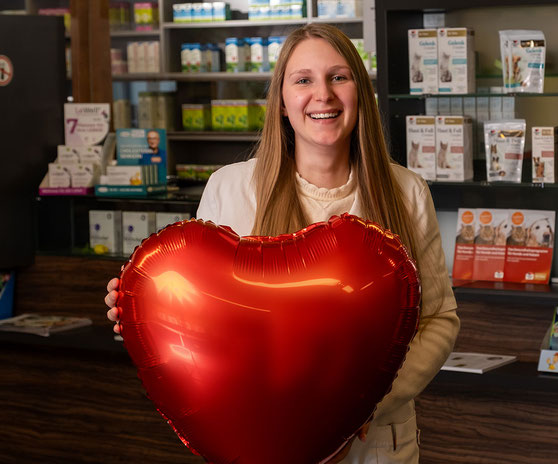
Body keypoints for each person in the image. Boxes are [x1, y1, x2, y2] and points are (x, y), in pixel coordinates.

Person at [104, 23, 461, 464]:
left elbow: (439, 320)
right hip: (261, 443)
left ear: (361, 93)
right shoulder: (230, 189)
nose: (323, 95)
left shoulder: (406, 191)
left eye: (339, 76)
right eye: (303, 80)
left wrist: (366, 402)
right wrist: (142, 310)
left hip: (377, 446)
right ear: (281, 103)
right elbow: (197, 318)